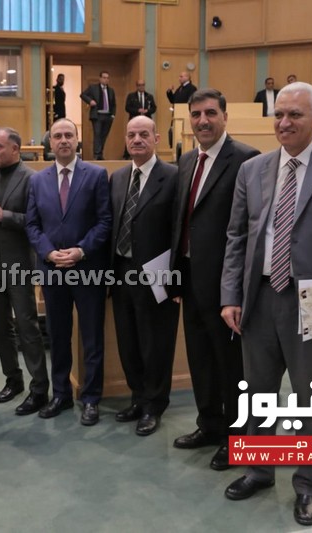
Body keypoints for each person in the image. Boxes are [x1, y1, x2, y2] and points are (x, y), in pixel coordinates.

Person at [220, 82, 312, 526]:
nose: (284, 123)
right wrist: (230, 295)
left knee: (311, 398)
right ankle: (259, 470)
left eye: (295, 115)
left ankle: (307, 484)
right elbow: (237, 237)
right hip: (260, 298)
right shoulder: (253, 169)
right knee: (259, 393)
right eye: (279, 115)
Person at [171, 89, 260, 469]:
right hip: (190, 280)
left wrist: (235, 290)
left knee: (230, 367)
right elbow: (182, 222)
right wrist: (175, 277)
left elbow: (251, 229)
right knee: (200, 360)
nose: (202, 120)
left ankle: (236, 438)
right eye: (196, 114)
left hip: (226, 286)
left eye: (210, 113)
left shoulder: (247, 159)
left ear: (225, 116)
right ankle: (209, 425)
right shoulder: (186, 160)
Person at [25, 118, 112, 425]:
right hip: (52, 270)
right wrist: (49, 252)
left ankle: (91, 398)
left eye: (68, 135)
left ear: (77, 141)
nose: (63, 140)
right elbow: (32, 225)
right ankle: (60, 394)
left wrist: (80, 250)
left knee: (91, 336)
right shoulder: (37, 180)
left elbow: (104, 221)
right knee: (58, 335)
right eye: (57, 136)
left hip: (87, 268)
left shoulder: (97, 175)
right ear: (50, 143)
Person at [109, 116, 179, 436]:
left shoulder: (173, 177)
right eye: (131, 134)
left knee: (156, 344)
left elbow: (179, 232)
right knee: (129, 342)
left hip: (157, 275)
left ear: (156, 139)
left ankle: (154, 405)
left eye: (143, 134)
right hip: (121, 272)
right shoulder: (118, 177)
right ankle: (137, 397)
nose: (137, 139)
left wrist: (176, 279)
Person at [0, 127, 50, 415]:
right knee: (0, 325)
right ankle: (13, 379)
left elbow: (37, 221)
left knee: (26, 325)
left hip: (17, 263)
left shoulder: (31, 178)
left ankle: (39, 388)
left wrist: (4, 215)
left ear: (16, 149)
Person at [81, 70, 116, 160]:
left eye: (107, 78)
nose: (106, 80)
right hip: (97, 115)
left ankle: (100, 154)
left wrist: (113, 115)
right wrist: (90, 101)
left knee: (104, 135)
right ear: (100, 78)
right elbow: (83, 95)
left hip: (108, 116)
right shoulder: (93, 88)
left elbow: (113, 104)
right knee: (97, 134)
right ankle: (96, 155)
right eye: (104, 78)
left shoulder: (111, 90)